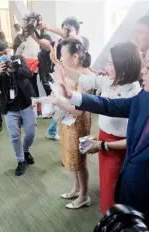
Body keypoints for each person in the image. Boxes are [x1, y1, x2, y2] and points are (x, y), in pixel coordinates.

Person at [52, 34, 149, 232]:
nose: (142, 70)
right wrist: (72, 96)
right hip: (130, 194)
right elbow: (112, 105)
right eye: (144, 62)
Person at [51, 42, 142, 214]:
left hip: (119, 146)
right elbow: (82, 78)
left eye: (110, 64)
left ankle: (113, 222)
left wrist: (102, 145)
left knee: (114, 189)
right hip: (104, 138)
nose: (105, 68)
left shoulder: (134, 93)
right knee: (106, 185)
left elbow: (134, 137)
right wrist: (60, 65)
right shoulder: (109, 80)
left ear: (124, 66)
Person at [32, 16, 90, 141]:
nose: (66, 32)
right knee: (65, 130)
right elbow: (45, 44)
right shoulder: (61, 44)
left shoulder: (81, 42)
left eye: (69, 29)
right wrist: (32, 33)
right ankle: (53, 130)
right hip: (66, 87)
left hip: (78, 87)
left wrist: (48, 27)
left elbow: (79, 110)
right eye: (64, 29)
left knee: (76, 139)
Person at [51, 39, 92, 209]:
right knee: (70, 157)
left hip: (79, 123)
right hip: (67, 120)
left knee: (80, 161)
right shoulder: (70, 72)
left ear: (75, 56)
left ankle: (84, 196)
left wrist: (58, 103)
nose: (60, 58)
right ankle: (75, 189)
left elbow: (80, 111)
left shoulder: (86, 76)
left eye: (63, 55)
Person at [0, 40, 36, 176]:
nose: (4, 55)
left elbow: (28, 74)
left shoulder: (18, 59)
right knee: (14, 136)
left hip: (25, 103)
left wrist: (15, 69)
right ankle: (21, 160)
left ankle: (25, 149)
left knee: (31, 132)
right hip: (9, 107)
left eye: (6, 52)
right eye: (1, 54)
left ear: (9, 50)